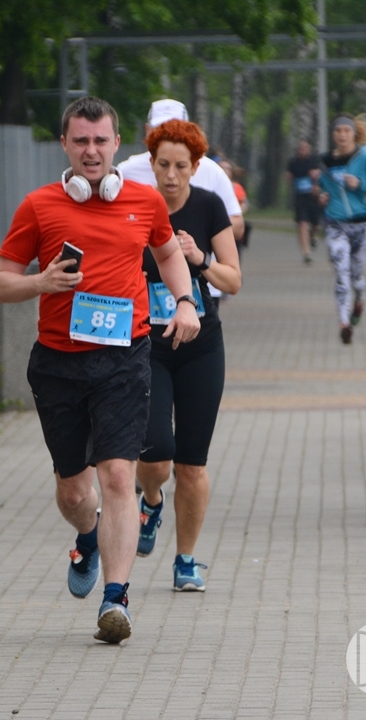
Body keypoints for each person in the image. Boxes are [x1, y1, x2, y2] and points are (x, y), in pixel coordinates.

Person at [0, 97, 200, 644]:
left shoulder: (144, 200)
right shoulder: (38, 206)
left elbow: (167, 254)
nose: (91, 150)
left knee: (119, 477)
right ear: (65, 144)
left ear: (116, 144)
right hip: (58, 363)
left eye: (100, 140)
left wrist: (184, 302)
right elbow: (0, 284)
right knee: (75, 494)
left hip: (125, 358)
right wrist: (41, 283)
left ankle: (116, 599)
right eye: (80, 140)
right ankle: (87, 536)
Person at [135, 119, 241, 592]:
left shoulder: (209, 206)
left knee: (192, 463)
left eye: (181, 166)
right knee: (157, 452)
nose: (171, 175)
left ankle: (185, 560)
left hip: (201, 347)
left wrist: (200, 260)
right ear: (151, 164)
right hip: (149, 346)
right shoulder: (137, 206)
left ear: (196, 167)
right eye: (163, 165)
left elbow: (233, 279)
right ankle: (151, 500)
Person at [118, 99, 245, 244]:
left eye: (181, 166)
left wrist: (198, 227)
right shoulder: (127, 171)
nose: (168, 134)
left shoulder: (212, 171)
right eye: (160, 129)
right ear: (147, 131)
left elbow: (238, 226)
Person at [312, 115, 366, 345]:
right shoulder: (325, 161)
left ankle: (360, 299)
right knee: (341, 274)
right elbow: (323, 188)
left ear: (354, 133)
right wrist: (322, 196)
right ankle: (344, 323)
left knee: (356, 275)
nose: (342, 135)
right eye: (338, 131)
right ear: (333, 134)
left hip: (362, 225)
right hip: (336, 225)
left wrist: (361, 184)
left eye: (347, 130)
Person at [286, 140, 321, 264]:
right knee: (302, 223)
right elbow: (289, 176)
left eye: (305, 148)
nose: (302, 151)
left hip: (313, 196)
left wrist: (316, 181)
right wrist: (289, 178)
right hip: (300, 197)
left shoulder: (314, 161)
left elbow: (320, 174)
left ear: (309, 150)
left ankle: (312, 236)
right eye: (300, 149)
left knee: (315, 224)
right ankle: (306, 253)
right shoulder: (293, 162)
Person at [218, 159, 251, 253]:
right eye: (221, 167)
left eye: (227, 168)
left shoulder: (236, 187)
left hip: (231, 223)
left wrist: (235, 212)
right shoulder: (211, 185)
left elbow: (244, 204)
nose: (224, 170)